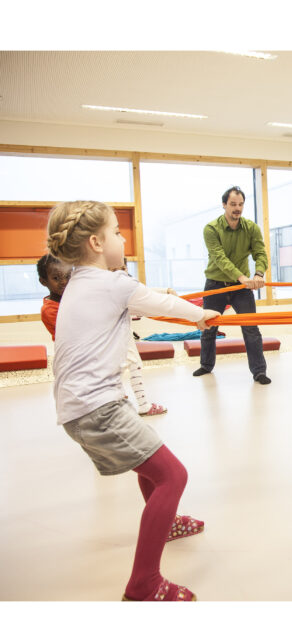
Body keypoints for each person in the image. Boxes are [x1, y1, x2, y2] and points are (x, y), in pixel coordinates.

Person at [47, 200, 220, 600]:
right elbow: (160, 305)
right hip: (97, 408)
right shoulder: (112, 284)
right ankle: (144, 582)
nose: (123, 238)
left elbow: (136, 302)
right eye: (117, 232)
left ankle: (168, 522)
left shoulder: (81, 282)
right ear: (95, 241)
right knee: (173, 476)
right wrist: (202, 315)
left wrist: (170, 303)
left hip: (88, 405)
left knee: (152, 466)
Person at [193, 185, 270, 384]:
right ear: (224, 205)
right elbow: (219, 258)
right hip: (216, 284)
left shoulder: (251, 228)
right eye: (233, 204)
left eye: (241, 204)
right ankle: (206, 365)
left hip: (241, 288)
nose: (237, 208)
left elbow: (260, 253)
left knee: (251, 328)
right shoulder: (211, 229)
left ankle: (259, 372)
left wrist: (259, 273)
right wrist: (242, 277)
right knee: (209, 327)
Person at [111, 263, 171, 417]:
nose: (123, 271)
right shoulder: (116, 287)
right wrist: (166, 293)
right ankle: (143, 405)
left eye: (124, 267)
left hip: (118, 332)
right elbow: (145, 295)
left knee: (122, 364)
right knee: (134, 364)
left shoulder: (121, 285)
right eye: (118, 269)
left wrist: (166, 291)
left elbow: (144, 292)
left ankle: (119, 396)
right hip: (119, 332)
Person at [37, 253, 72, 339]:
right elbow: (74, 330)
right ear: (43, 282)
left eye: (68, 276)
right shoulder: (49, 310)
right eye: (56, 278)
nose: (64, 282)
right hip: (71, 349)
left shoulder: (73, 296)